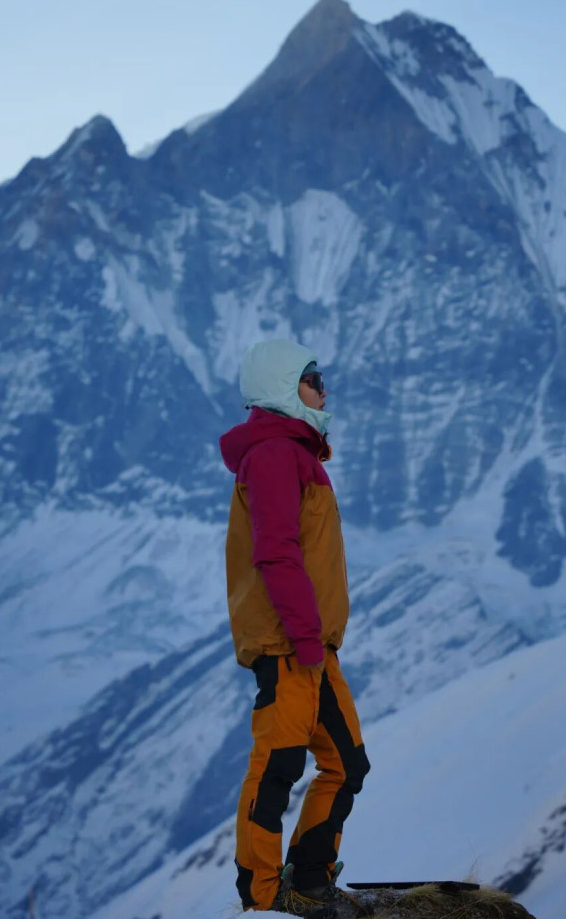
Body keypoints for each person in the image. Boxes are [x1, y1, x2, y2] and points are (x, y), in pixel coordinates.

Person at [219, 339, 371, 919]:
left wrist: (317, 642)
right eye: (313, 379)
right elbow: (277, 553)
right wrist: (307, 639)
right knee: (277, 767)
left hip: (312, 648)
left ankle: (309, 879)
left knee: (346, 765)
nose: (324, 390)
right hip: (289, 647)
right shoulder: (275, 454)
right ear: (284, 387)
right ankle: (261, 894)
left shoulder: (297, 454)